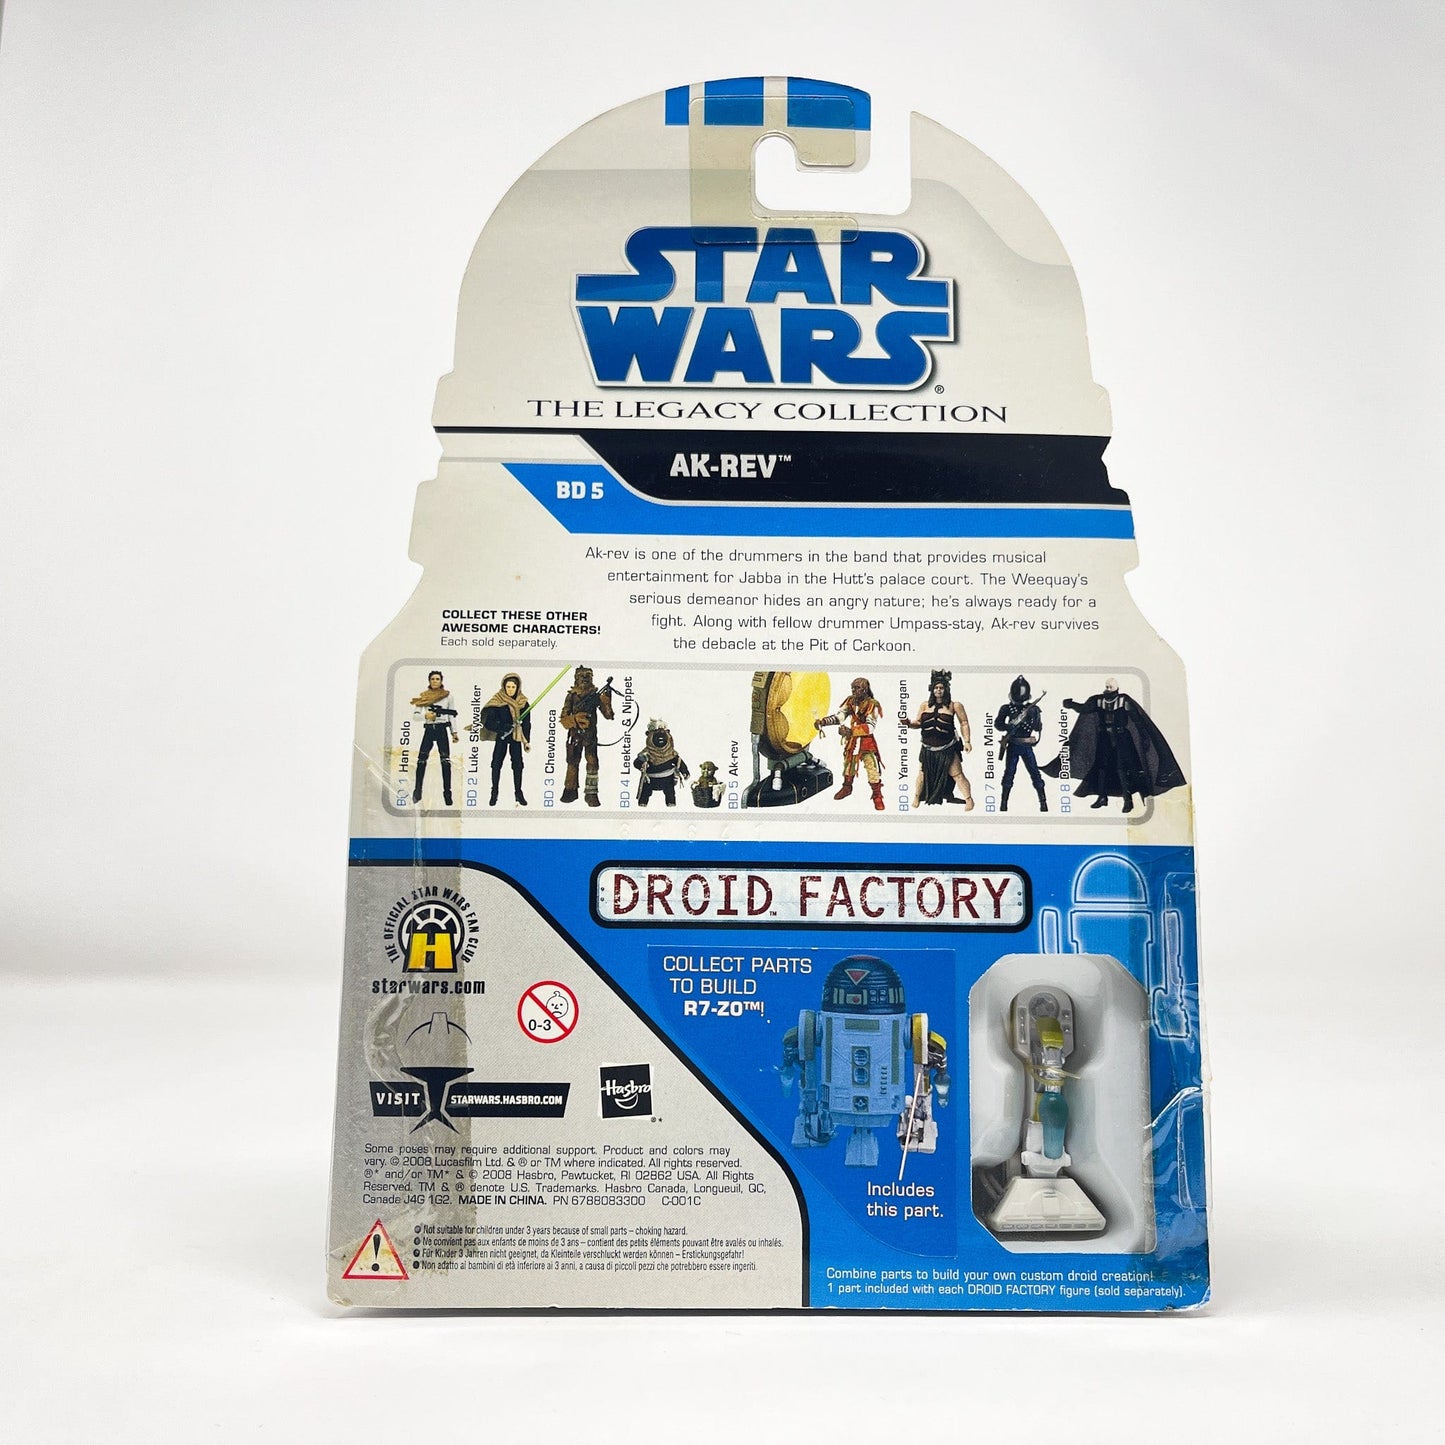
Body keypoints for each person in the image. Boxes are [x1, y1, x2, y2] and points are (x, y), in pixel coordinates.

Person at [1043, 678, 1185, 813]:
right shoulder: (1098, 700)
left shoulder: (1124, 700)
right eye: (1107, 686)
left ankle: (1128, 800)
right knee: (1101, 767)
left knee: (1122, 768)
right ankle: (1102, 797)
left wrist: (1144, 737)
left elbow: (1137, 720)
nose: (1108, 688)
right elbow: (1085, 708)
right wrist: (1071, 704)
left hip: (1121, 738)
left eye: (1110, 686)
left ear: (1116, 688)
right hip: (1104, 738)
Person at [901, 668, 974, 808]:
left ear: (946, 689)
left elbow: (964, 723)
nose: (938, 690)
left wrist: (967, 741)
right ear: (932, 689)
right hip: (927, 749)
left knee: (957, 775)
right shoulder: (924, 705)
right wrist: (909, 724)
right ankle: (916, 797)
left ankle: (969, 799)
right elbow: (919, 723)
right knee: (922, 774)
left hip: (947, 748)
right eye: (936, 688)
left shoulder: (955, 705)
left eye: (941, 688)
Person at [816, 677, 886, 811]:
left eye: (857, 688)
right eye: (852, 688)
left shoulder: (873, 705)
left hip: (866, 742)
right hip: (853, 741)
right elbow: (840, 716)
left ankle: (877, 795)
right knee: (849, 765)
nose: (854, 690)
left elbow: (870, 727)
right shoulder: (850, 701)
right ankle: (847, 787)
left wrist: (850, 731)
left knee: (872, 768)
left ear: (865, 689)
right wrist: (824, 722)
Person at [559, 665, 614, 806]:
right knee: (572, 761)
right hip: (575, 735)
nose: (584, 678)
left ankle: (591, 793)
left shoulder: (595, 696)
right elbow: (563, 719)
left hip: (590, 737)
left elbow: (608, 715)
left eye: (587, 676)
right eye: (581, 676)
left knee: (592, 763)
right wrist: (575, 719)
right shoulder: (571, 696)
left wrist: (607, 700)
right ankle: (570, 790)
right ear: (576, 678)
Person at [994, 675, 1048, 813]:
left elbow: (1037, 728)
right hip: (1013, 745)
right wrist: (1008, 727)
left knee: (1034, 773)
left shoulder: (1033, 709)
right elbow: (998, 724)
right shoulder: (1006, 708)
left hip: (1026, 746)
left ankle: (1043, 803)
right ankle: (1003, 804)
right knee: (1009, 774)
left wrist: (1035, 716)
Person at [479, 672, 530, 806]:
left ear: (517, 687)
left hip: (516, 737)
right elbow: (489, 722)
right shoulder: (497, 700)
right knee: (496, 763)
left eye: (513, 687)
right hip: (502, 737)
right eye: (508, 687)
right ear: (503, 686)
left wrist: (526, 741)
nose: (510, 690)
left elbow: (527, 724)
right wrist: (502, 727)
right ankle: (494, 792)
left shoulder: (523, 702)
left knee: (518, 765)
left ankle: (518, 792)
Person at [410, 670, 458, 807]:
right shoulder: (424, 696)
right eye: (433, 679)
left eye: (437, 679)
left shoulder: (448, 697)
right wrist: (426, 716)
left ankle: (447, 793)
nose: (435, 681)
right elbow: (415, 716)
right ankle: (418, 791)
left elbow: (451, 715)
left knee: (445, 761)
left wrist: (454, 732)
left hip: (442, 729)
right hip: (429, 730)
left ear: (441, 681)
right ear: (429, 681)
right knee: (421, 760)